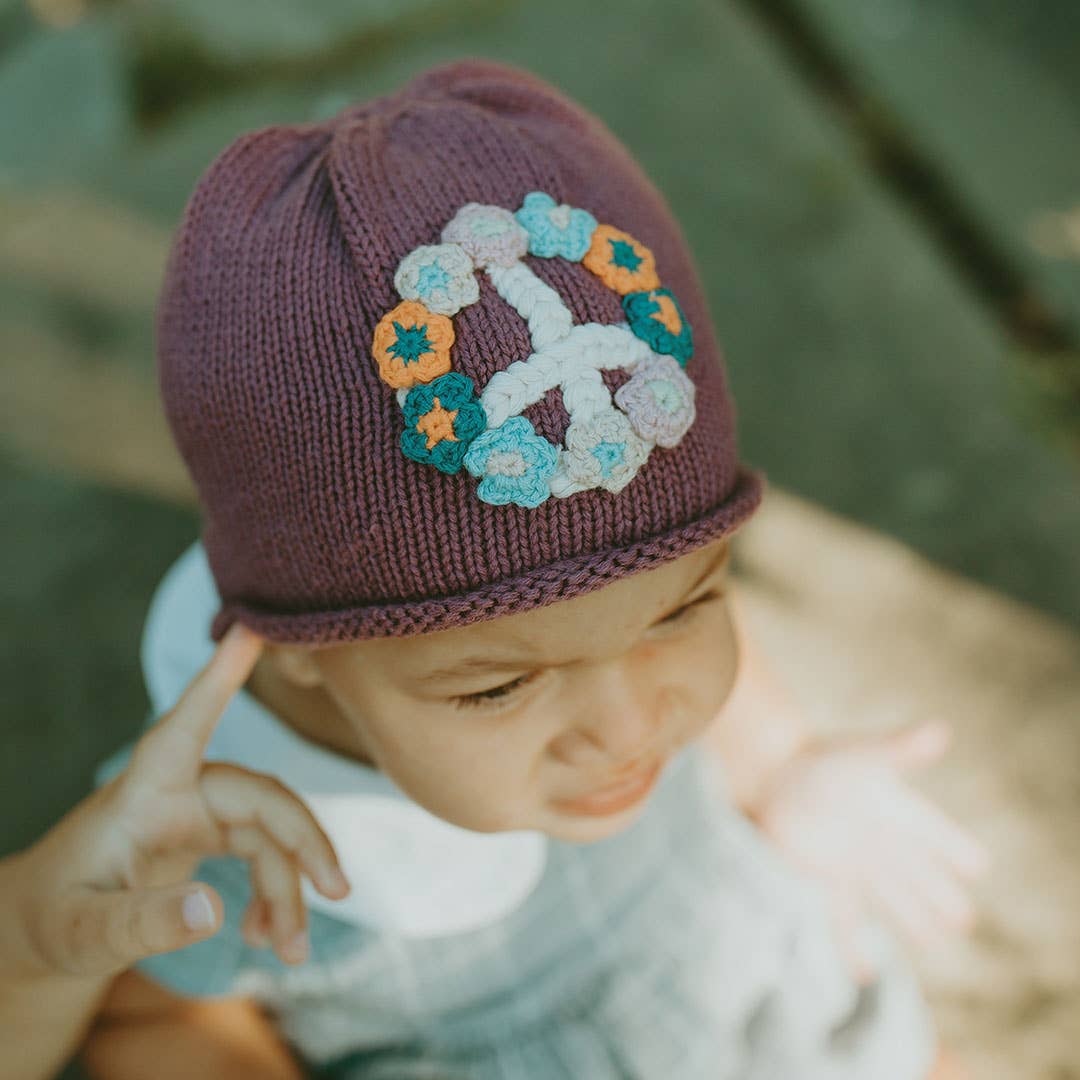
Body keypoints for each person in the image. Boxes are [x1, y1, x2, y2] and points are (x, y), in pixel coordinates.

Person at [13, 56, 987, 1079]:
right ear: (298, 648)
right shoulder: (212, 835)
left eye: (684, 608)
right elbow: (157, 1020)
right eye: (500, 684)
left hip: (769, 1003)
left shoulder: (610, 664)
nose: (630, 726)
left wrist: (787, 767)